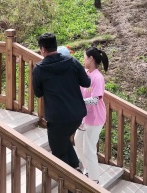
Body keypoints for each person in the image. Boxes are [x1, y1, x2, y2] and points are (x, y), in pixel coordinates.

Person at [33, 33, 91, 171]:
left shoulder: (39, 69)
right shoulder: (72, 62)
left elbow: (38, 93)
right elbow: (86, 82)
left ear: (42, 49)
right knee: (63, 141)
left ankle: (69, 183)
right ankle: (76, 167)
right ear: (56, 46)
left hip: (57, 117)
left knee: (58, 152)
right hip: (77, 114)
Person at [74, 46, 109, 185]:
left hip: (95, 119)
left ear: (91, 58)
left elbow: (95, 99)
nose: (83, 59)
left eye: (84, 57)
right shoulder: (86, 73)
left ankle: (94, 181)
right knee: (78, 141)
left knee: (89, 149)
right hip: (85, 117)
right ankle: (88, 169)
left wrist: (79, 102)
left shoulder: (97, 77)